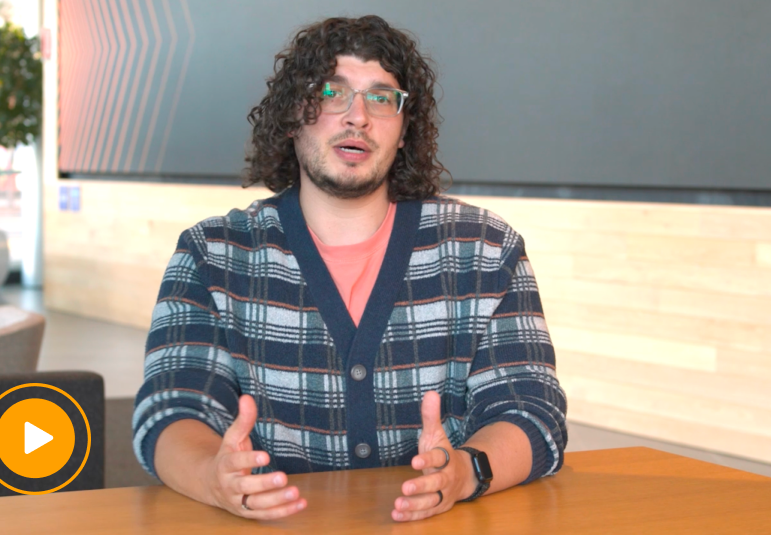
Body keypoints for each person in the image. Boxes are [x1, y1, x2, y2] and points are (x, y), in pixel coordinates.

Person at [132, 15, 567, 523]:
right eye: (332, 92)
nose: (358, 116)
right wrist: (213, 476)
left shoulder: (485, 248)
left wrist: (466, 472)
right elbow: (171, 409)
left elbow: (531, 410)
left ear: (403, 130)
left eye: (382, 98)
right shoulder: (214, 254)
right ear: (293, 115)